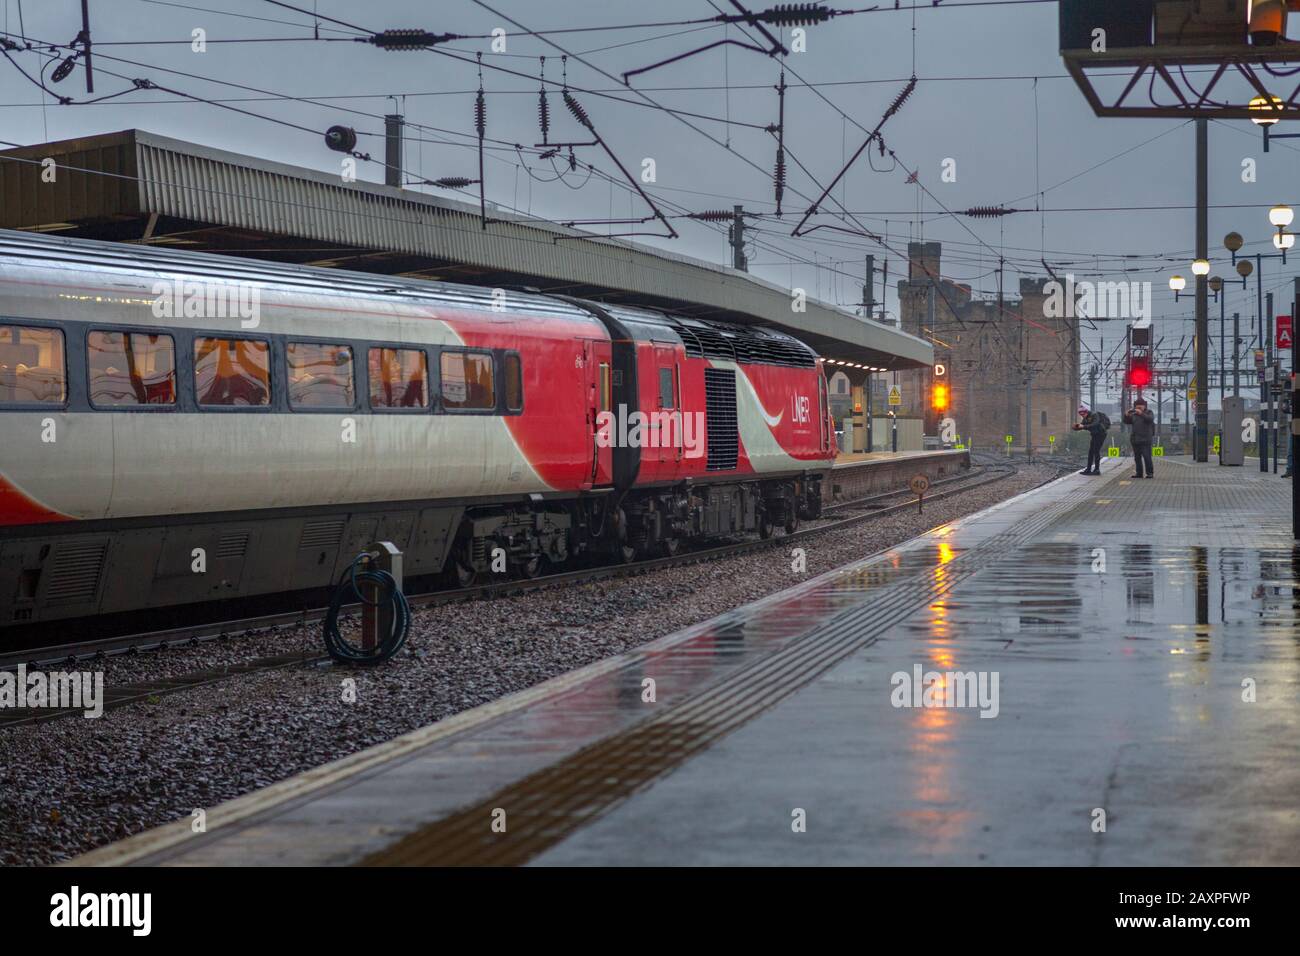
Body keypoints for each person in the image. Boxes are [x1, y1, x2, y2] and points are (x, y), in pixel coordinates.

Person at [1123, 398, 1156, 479]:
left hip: (1145, 439)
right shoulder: (1134, 414)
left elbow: (1150, 419)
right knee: (1137, 458)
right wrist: (1126, 415)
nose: (1139, 408)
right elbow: (1127, 422)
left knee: (1147, 457)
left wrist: (1141, 413)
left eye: (1141, 406)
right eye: (1137, 406)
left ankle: (1149, 473)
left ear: (1144, 406)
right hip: (1135, 439)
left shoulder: (1149, 412)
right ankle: (1139, 473)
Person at [1073, 405, 1108, 475]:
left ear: (1086, 412)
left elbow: (1095, 424)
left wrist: (1084, 426)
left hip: (1101, 434)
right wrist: (1077, 427)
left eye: (1083, 414)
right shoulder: (1085, 418)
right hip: (1094, 435)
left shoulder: (1094, 415)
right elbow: (1083, 425)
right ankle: (1088, 469)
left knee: (1096, 451)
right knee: (1091, 452)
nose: (1082, 416)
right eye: (1080, 414)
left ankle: (1097, 470)